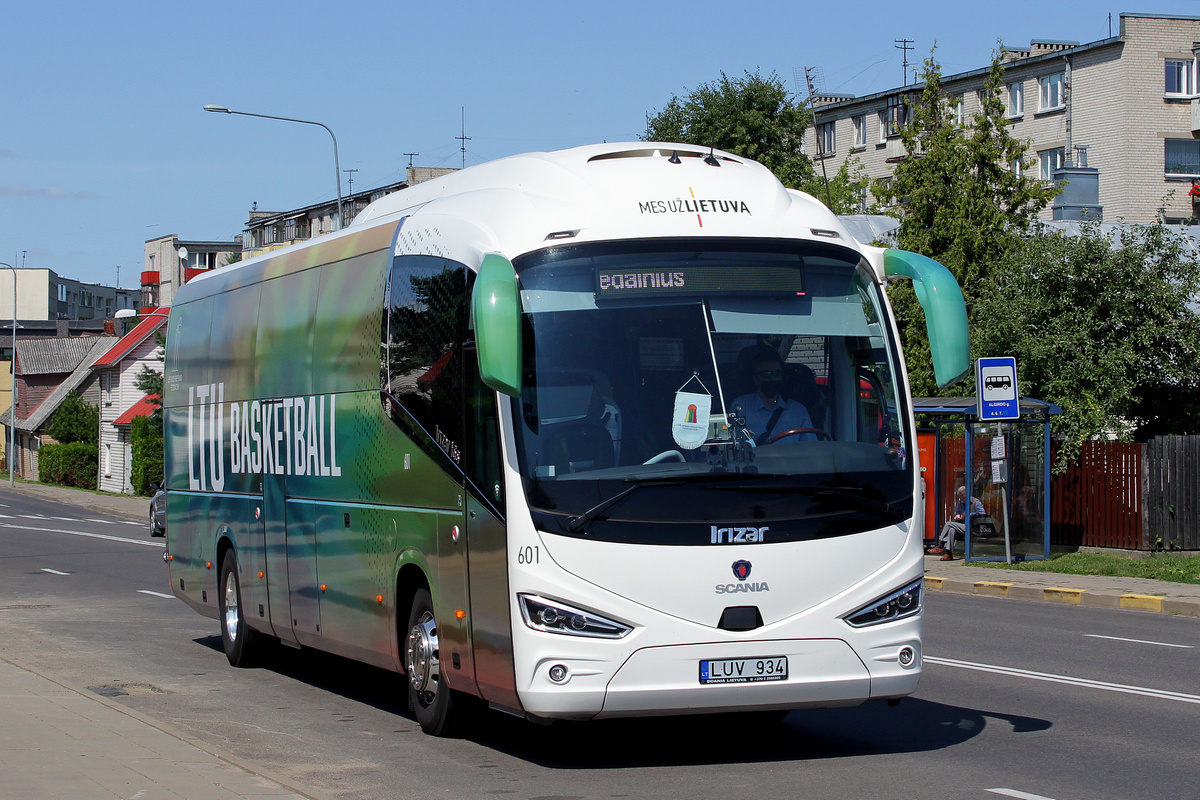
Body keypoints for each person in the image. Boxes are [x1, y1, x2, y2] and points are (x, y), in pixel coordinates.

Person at [731, 350, 816, 445]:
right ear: (755, 379)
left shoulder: (798, 410)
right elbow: (735, 446)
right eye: (766, 374)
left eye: (776, 374)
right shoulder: (741, 406)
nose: (772, 379)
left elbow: (810, 448)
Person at [928, 486, 985, 560]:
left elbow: (982, 514)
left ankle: (940, 546)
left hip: (973, 527)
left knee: (948, 523)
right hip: (963, 526)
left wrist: (969, 515)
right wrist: (957, 517)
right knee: (952, 530)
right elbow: (956, 515)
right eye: (961, 495)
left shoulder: (975, 502)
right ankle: (949, 554)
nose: (963, 496)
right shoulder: (961, 504)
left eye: (964, 494)